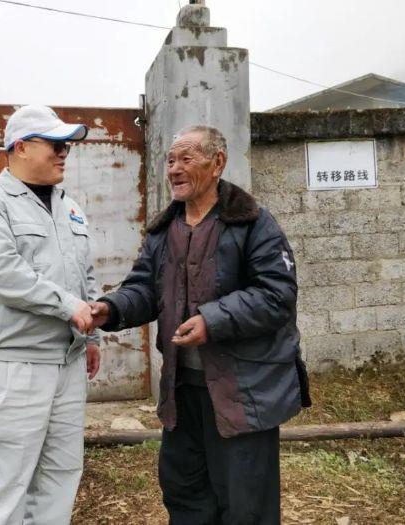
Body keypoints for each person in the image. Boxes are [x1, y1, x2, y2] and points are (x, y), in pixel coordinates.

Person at [90, 125, 311, 524]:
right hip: (183, 390)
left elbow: (277, 295)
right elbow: (144, 288)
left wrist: (212, 320)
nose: (174, 169)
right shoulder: (164, 231)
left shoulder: (253, 223)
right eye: (170, 160)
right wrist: (112, 307)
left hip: (243, 391)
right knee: (185, 493)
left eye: (186, 158)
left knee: (246, 505)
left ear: (217, 163)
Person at [0, 104, 101, 525]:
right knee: (4, 483)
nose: (64, 153)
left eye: (68, 146)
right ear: (20, 147)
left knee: (61, 475)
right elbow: (2, 272)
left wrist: (92, 337)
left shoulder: (70, 207)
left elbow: (86, 275)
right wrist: (69, 307)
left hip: (68, 363)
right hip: (16, 363)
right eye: (56, 144)